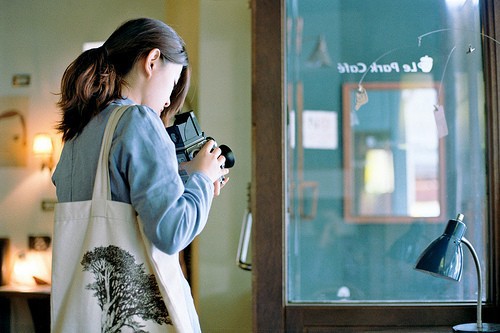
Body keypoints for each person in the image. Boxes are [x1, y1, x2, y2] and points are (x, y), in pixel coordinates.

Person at [52, 17, 229, 331]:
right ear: (152, 60)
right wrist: (202, 179)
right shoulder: (139, 120)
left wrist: (186, 178)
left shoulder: (78, 131)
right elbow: (171, 232)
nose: (166, 102)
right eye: (172, 84)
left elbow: (117, 193)